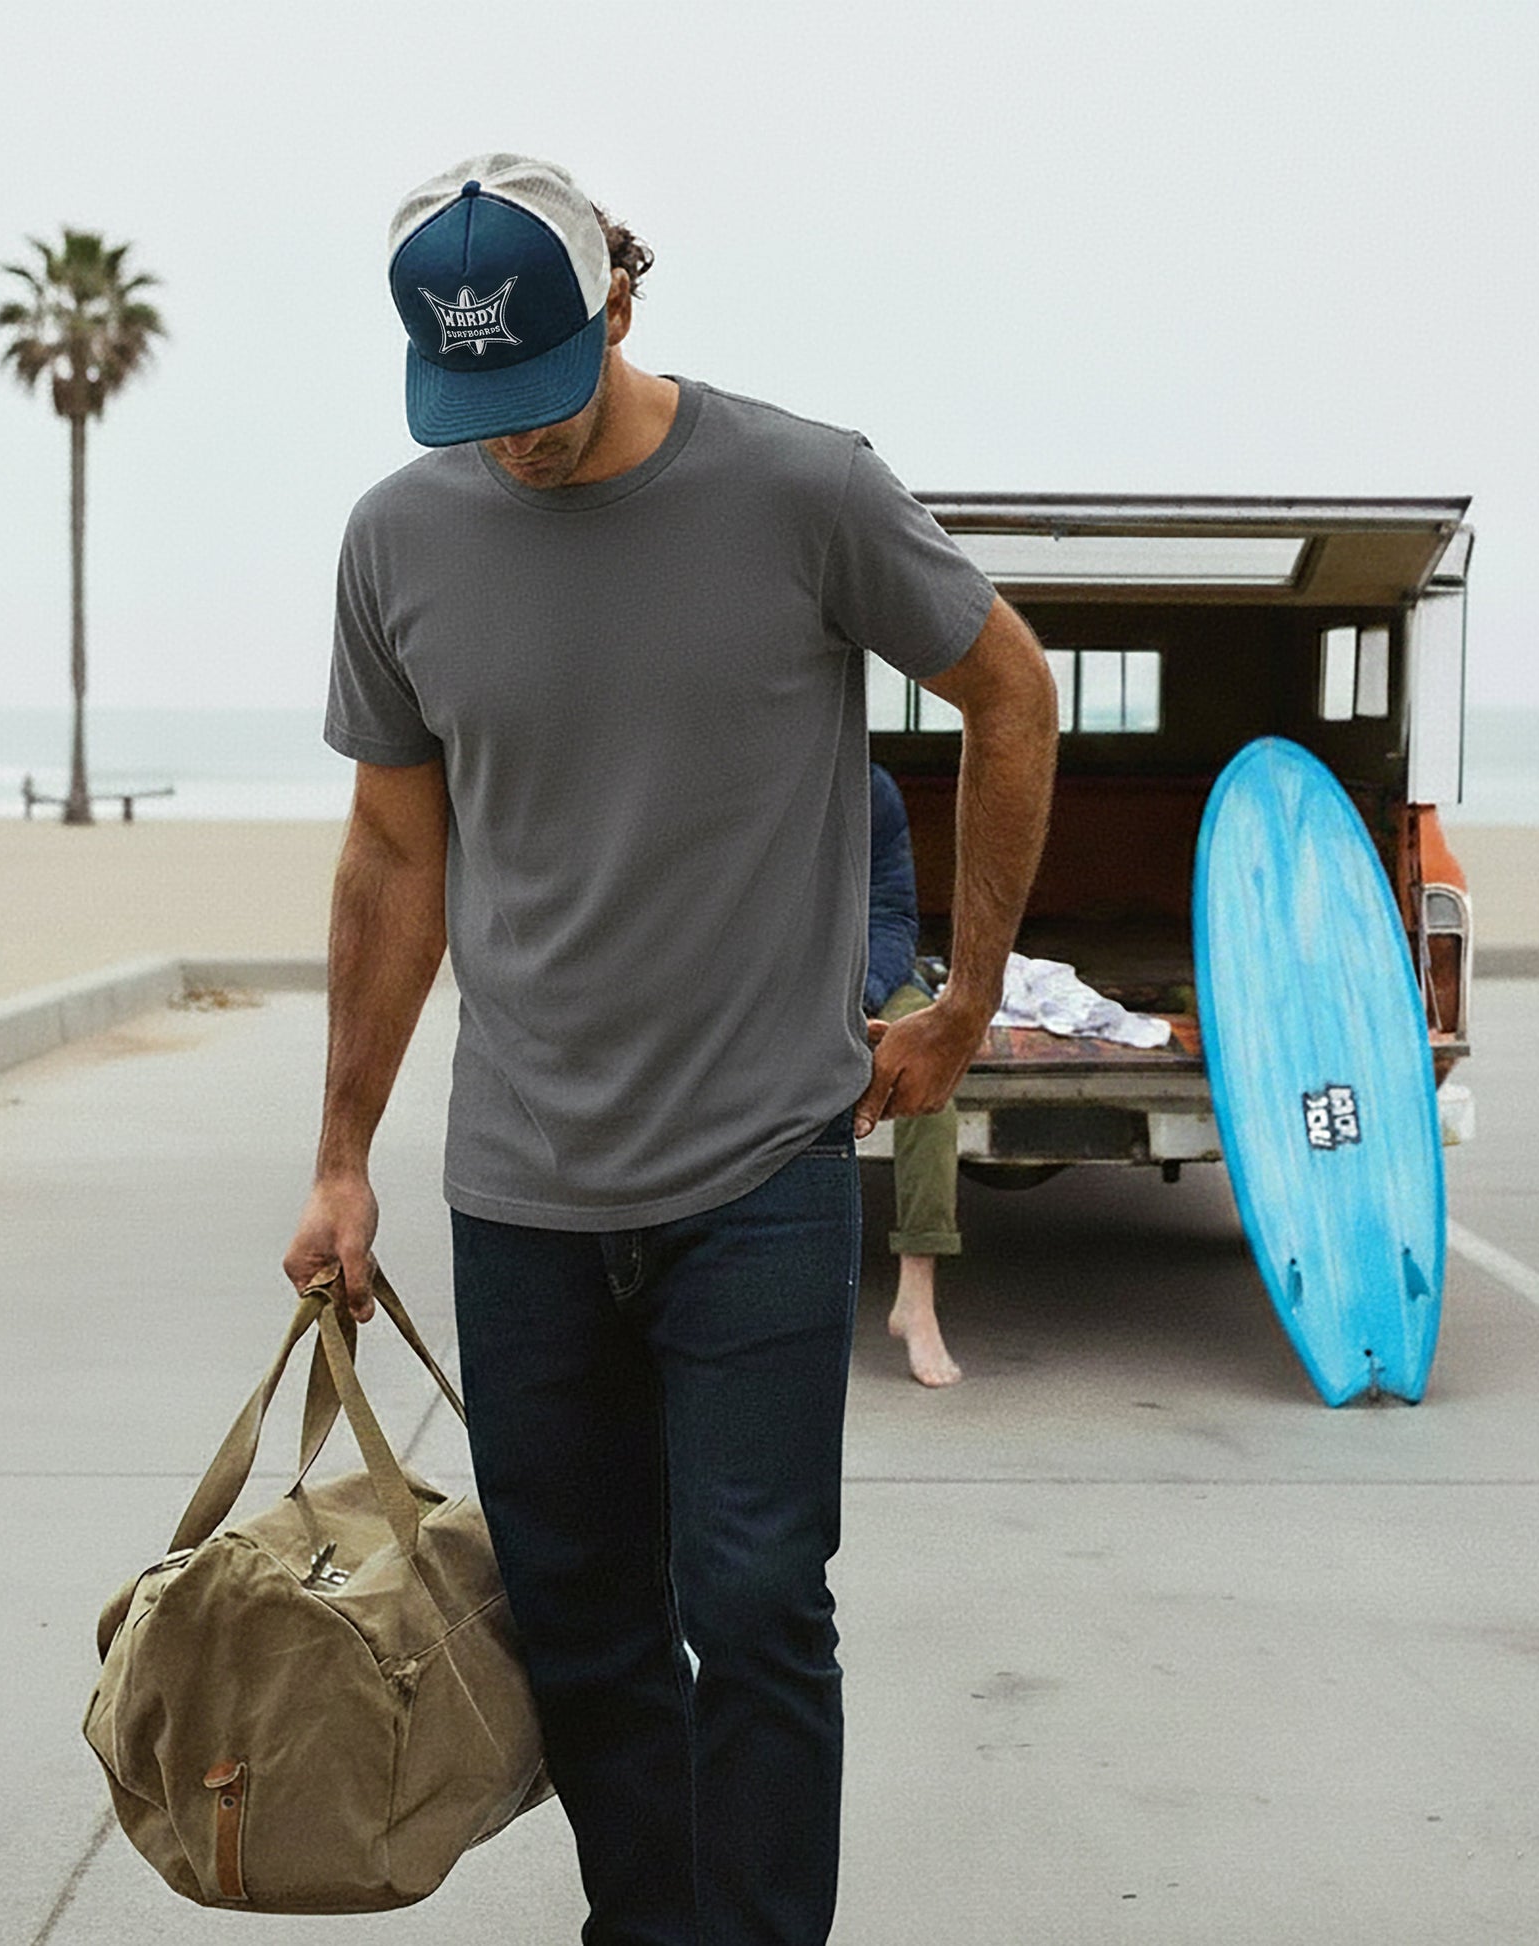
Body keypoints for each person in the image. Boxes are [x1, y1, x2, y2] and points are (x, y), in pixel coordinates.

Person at [284, 152, 1057, 1946]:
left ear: (619, 302)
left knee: (762, 1601)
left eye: (542, 393)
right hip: (520, 1188)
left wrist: (960, 998)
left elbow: (1008, 691)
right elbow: (396, 857)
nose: (515, 442)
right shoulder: (397, 540)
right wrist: (342, 1152)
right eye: (473, 406)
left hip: (760, 1168)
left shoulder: (804, 489)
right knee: (579, 1622)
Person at [866, 762, 967, 1386]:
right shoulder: (747, 782)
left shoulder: (872, 790)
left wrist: (862, 999)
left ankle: (916, 1298)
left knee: (931, 1080)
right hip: (778, 983)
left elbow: (893, 917)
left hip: (873, 982)